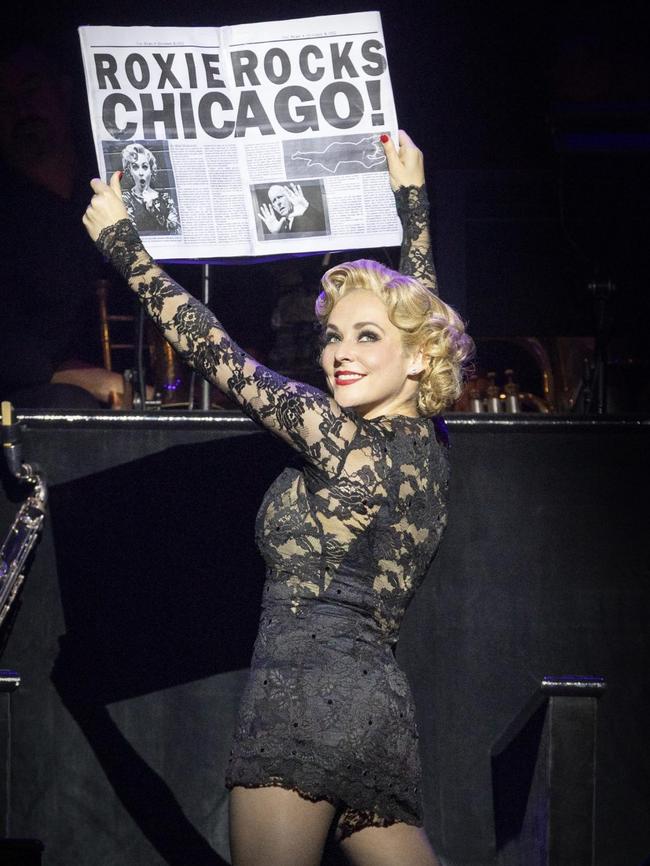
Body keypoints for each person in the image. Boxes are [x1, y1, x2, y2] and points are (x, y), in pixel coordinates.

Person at [83, 130, 474, 866]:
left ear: (418, 355)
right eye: (331, 337)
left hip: (302, 697)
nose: (338, 353)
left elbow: (218, 356)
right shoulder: (429, 445)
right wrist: (412, 206)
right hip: (376, 708)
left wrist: (126, 251)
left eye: (364, 336)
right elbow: (420, 324)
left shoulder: (339, 437)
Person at [0, 39, 124, 409]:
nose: (21, 109)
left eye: (31, 90)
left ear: (63, 92)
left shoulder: (110, 184)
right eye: (4, 100)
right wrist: (67, 377)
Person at [121, 142, 180, 235]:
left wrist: (154, 210)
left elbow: (176, 230)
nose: (141, 173)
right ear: (130, 172)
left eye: (145, 167)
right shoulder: (126, 199)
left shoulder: (165, 198)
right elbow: (130, 232)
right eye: (135, 167)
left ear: (151, 170)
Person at [259, 182, 326, 235]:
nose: (278, 203)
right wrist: (275, 234)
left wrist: (307, 209)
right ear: (274, 208)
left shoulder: (308, 218)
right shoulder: (281, 228)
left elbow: (325, 226)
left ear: (289, 197)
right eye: (274, 201)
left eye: (280, 197)